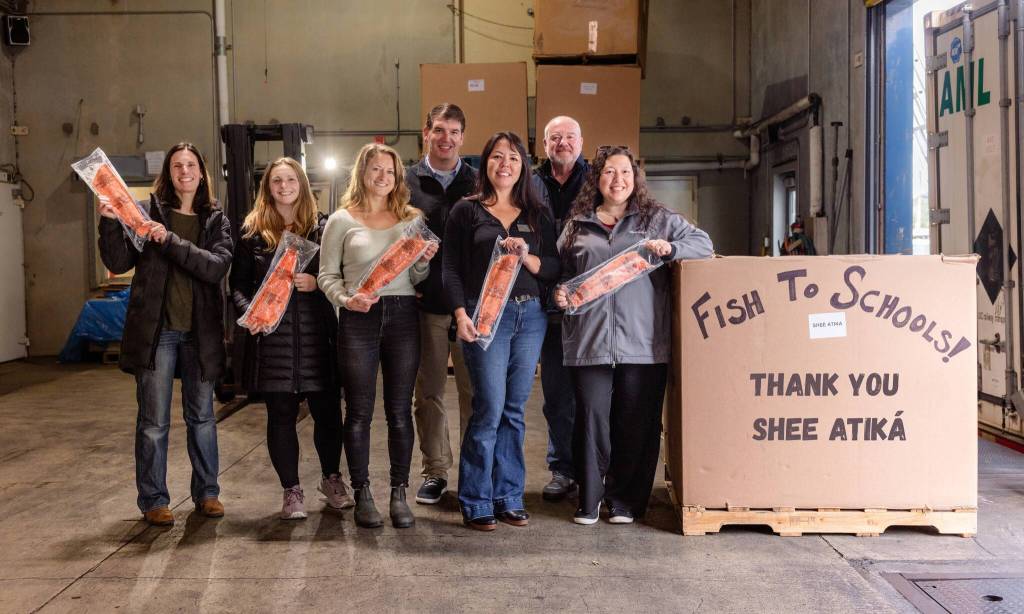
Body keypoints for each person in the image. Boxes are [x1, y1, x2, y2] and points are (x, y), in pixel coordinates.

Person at [554, 145, 713, 526]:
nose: (618, 180)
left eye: (625, 172)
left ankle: (625, 501)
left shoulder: (656, 219)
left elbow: (704, 246)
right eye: (609, 172)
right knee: (591, 418)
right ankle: (589, 499)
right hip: (588, 341)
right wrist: (558, 292)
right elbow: (559, 271)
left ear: (635, 178)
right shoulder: (578, 223)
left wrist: (671, 248)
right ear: (598, 178)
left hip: (643, 342)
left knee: (636, 422)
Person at [97, 142, 232, 527]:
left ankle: (207, 493)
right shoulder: (145, 213)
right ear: (168, 173)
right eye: (177, 165)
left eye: (191, 164)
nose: (184, 171)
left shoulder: (215, 220)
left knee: (202, 418)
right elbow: (119, 261)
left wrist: (169, 240)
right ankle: (154, 499)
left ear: (201, 172)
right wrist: (109, 221)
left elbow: (215, 268)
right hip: (158, 334)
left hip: (200, 335)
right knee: (153, 422)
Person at [443, 131, 560, 531]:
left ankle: (508, 496)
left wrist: (529, 259)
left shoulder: (538, 213)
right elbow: (451, 269)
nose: (504, 164)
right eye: (496, 157)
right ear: (485, 164)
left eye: (512, 157)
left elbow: (555, 269)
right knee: (489, 408)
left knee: (514, 410)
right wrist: (461, 315)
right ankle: (475, 499)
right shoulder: (466, 211)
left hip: (530, 319)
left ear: (523, 166)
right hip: (485, 318)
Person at [319, 143, 438, 529]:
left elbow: (417, 279)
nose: (382, 177)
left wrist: (422, 262)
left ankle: (399, 493)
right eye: (375, 170)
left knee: (399, 411)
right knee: (358, 412)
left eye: (389, 171)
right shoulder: (340, 220)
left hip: (403, 315)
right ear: (362, 173)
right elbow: (326, 276)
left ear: (397, 177)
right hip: (358, 318)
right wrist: (345, 299)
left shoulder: (412, 220)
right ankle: (364, 492)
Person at [230, 157, 349, 520]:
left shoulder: (323, 228)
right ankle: (291, 491)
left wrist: (317, 284)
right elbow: (237, 286)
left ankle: (331, 480)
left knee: (328, 414)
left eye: (290, 179)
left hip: (317, 337)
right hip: (274, 340)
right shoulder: (252, 233)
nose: (284, 186)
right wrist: (252, 312)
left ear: (302, 183)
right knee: (280, 415)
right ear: (268, 188)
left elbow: (341, 276)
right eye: (276, 181)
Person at [406, 103, 477, 505]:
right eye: (438, 130)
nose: (445, 138)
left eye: (453, 131)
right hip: (428, 304)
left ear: (462, 137)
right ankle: (435, 471)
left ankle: (471, 468)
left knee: (474, 393)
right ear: (426, 133)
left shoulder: (477, 181)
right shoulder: (406, 182)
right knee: (429, 392)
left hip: (470, 307)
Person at [534, 115, 590, 501]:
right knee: (556, 395)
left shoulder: (597, 179)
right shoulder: (531, 181)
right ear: (545, 143)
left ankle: (593, 469)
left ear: (581, 141)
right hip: (545, 300)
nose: (563, 143)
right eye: (556, 137)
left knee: (594, 393)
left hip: (592, 302)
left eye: (569, 136)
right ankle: (562, 468)